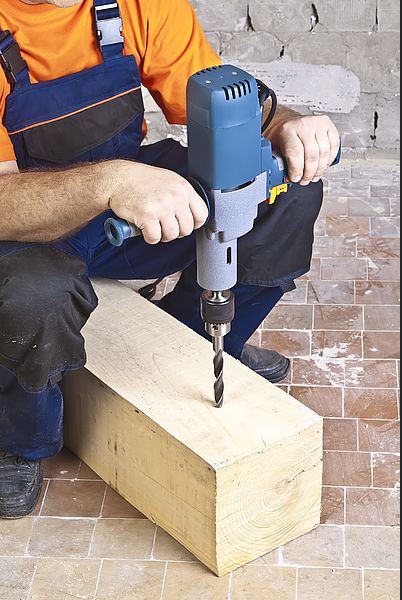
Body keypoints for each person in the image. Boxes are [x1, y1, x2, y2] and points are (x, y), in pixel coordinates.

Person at [0, 0, 339, 519]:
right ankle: (18, 435)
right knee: (33, 295)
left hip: (125, 197)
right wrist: (110, 183)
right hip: (21, 220)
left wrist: (285, 126)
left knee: (276, 194)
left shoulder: (135, 4)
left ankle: (197, 342)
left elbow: (218, 100)